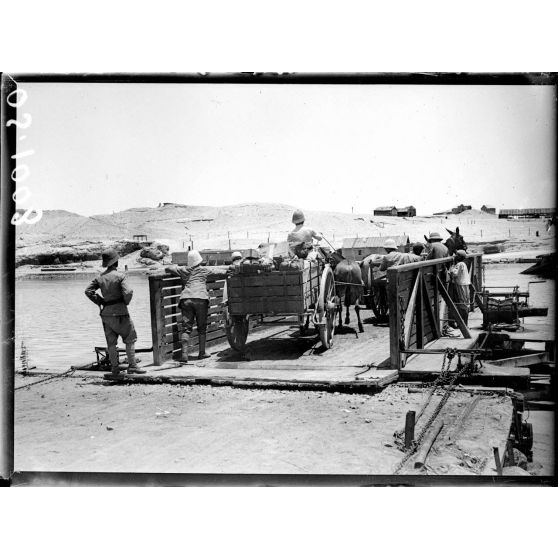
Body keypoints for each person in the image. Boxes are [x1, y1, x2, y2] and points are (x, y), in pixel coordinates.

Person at [85, 248, 145, 379]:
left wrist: (100, 301)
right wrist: (125, 302)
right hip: (121, 312)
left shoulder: (99, 278)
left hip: (106, 314)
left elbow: (88, 291)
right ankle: (132, 366)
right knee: (130, 338)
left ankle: (115, 369)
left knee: (111, 343)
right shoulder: (120, 276)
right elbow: (128, 292)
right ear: (116, 262)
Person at [165, 249, 212, 363]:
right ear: (199, 260)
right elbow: (219, 271)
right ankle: (202, 353)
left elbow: (168, 268)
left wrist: (175, 267)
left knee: (186, 328)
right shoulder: (204, 270)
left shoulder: (184, 270)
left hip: (186, 299)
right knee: (201, 327)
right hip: (201, 298)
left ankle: (184, 355)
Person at [448, 249, 471, 326]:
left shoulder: (459, 264)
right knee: (465, 303)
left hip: (461, 285)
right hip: (465, 284)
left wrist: (450, 269)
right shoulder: (463, 264)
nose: (455, 256)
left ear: (459, 256)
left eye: (456, 255)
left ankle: (463, 324)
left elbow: (455, 274)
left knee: (462, 303)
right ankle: (465, 323)